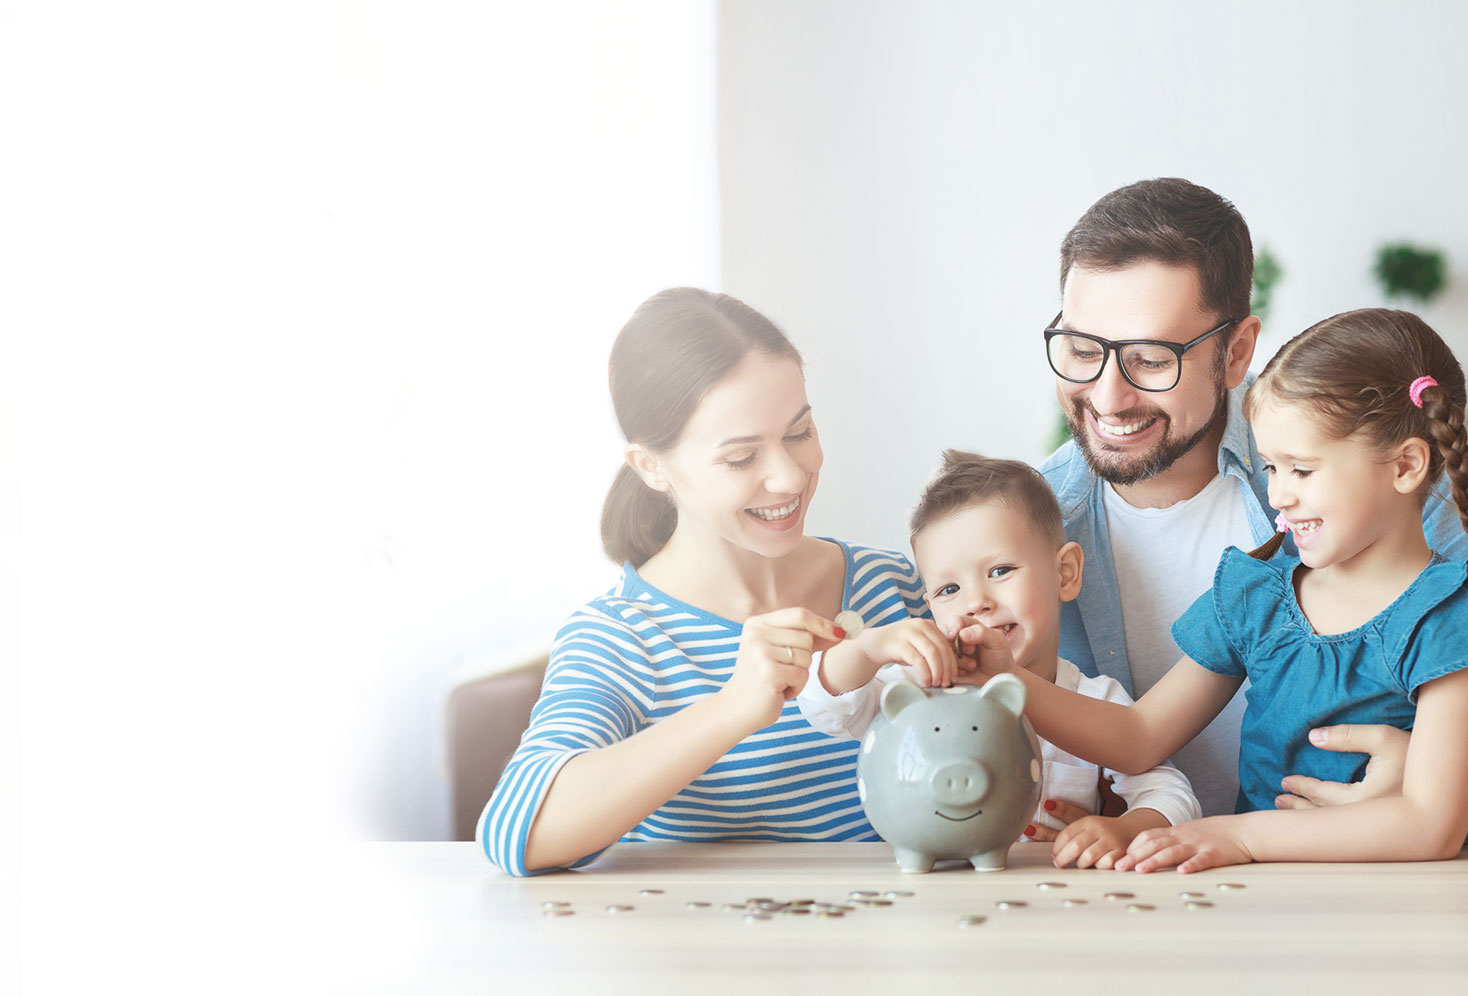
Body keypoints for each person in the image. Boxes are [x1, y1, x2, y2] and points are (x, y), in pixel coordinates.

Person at [480, 287, 961, 876]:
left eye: (799, 433)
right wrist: (734, 707)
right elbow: (515, 832)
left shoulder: (897, 587)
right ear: (651, 467)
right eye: (740, 459)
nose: (788, 477)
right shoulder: (620, 638)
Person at [968, 308, 1468, 872]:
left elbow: (1432, 825)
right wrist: (1001, 677)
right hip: (1257, 908)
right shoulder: (1258, 595)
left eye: (1301, 471)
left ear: (1405, 466)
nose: (1278, 495)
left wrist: (1245, 838)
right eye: (1271, 467)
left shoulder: (1447, 613)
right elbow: (1137, 736)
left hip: (1396, 911)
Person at [1040, 178, 1468, 817]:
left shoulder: (1385, 501)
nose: (1108, 398)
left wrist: (1438, 776)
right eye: (1080, 350)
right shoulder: (1026, 527)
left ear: (1236, 352)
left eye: (1152, 360)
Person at [799, 451, 1201, 868]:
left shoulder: (1094, 701)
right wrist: (868, 647)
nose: (976, 603)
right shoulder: (918, 688)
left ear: (1064, 573)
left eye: (1000, 571)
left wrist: (1121, 829)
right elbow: (823, 704)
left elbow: (1171, 793)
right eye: (949, 590)